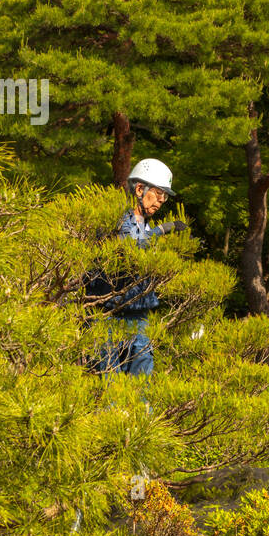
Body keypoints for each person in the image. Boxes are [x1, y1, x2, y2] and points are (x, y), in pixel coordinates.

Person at [94, 158, 186, 377]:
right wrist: (163, 229)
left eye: (164, 197)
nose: (160, 201)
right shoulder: (116, 220)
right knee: (109, 380)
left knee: (142, 378)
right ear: (139, 189)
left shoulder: (145, 225)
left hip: (140, 314)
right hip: (110, 314)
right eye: (158, 193)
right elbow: (130, 248)